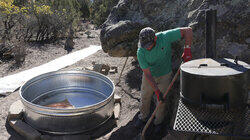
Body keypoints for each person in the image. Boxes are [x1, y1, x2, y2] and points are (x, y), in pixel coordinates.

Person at [136, 27, 193, 132]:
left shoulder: (165, 37)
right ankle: (143, 117)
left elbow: (188, 30)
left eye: (150, 45)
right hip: (150, 75)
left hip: (165, 74)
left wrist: (187, 49)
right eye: (145, 46)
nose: (148, 48)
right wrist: (156, 90)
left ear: (155, 39)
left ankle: (159, 122)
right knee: (145, 97)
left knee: (161, 100)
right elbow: (147, 74)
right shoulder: (141, 52)